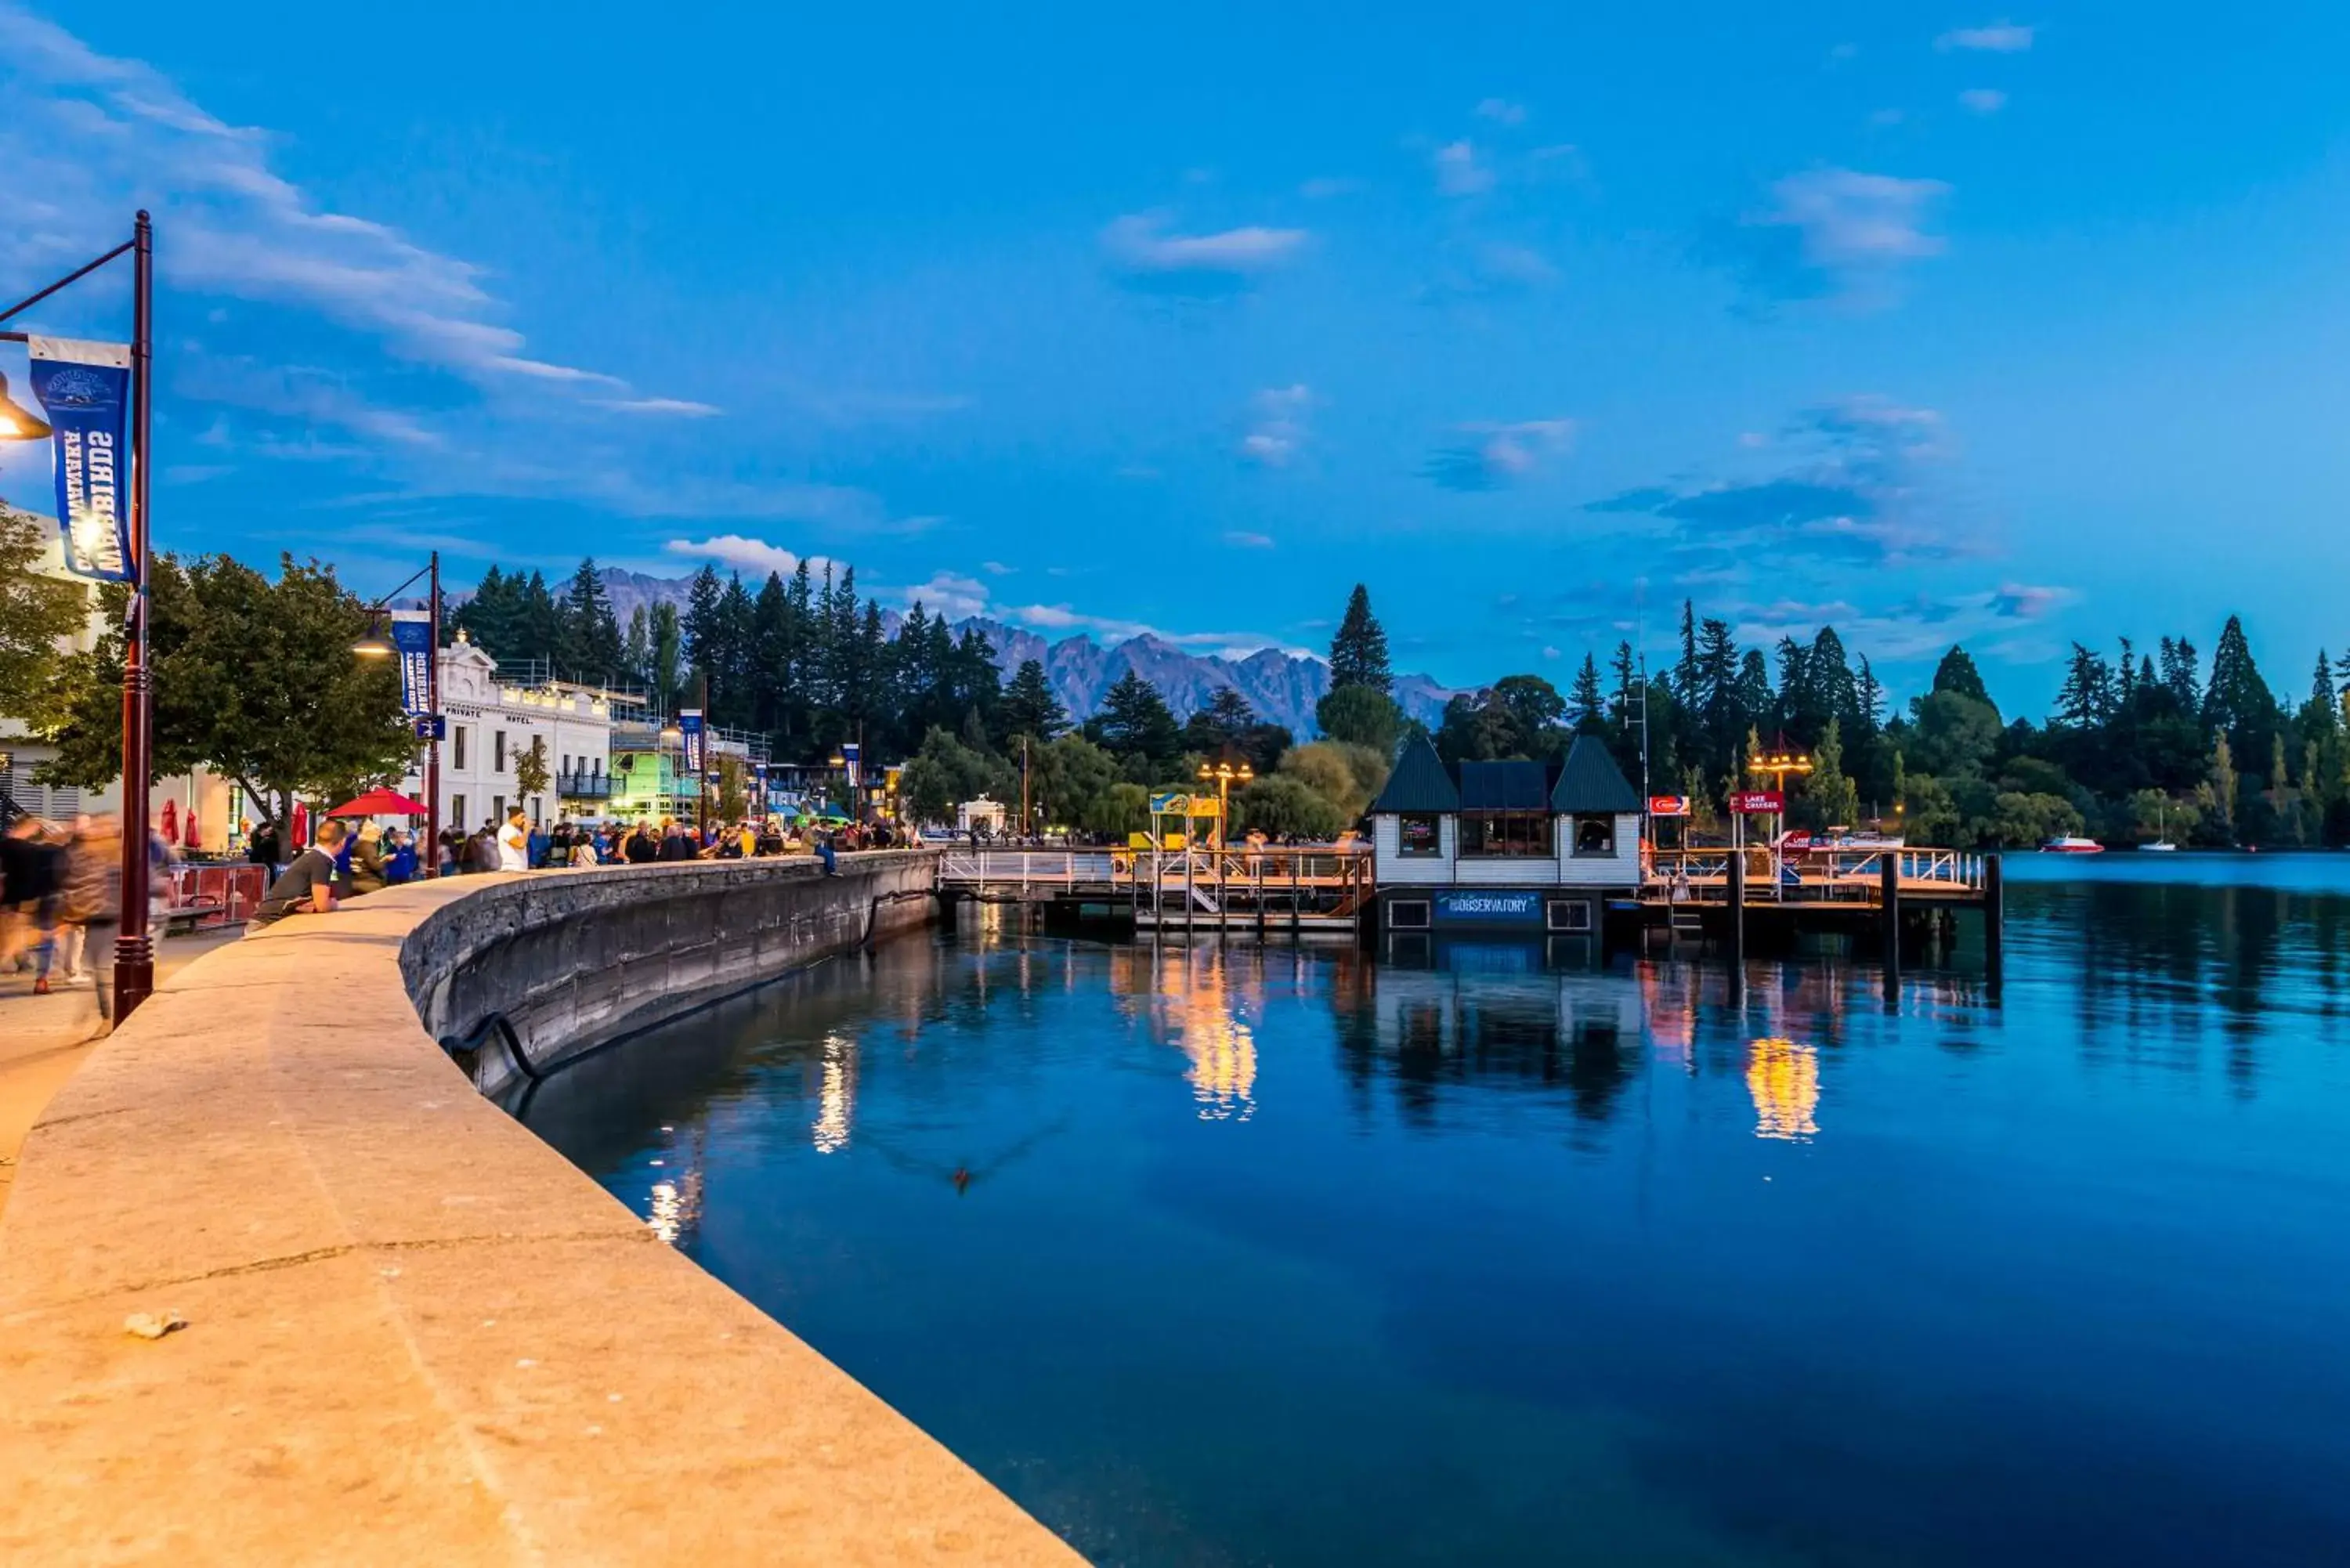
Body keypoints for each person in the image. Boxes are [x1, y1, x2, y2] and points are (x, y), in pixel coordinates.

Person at [55, 814, 122, 1021]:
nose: (98, 830)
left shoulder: (117, 852)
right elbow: (67, 881)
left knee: (101, 968)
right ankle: (103, 1010)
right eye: (97, 826)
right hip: (92, 916)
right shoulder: (80, 852)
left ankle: (107, 1015)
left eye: (104, 826)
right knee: (95, 966)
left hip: (111, 916)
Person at [248, 821, 348, 930]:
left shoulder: (315, 857)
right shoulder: (321, 860)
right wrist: (333, 904)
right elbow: (322, 905)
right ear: (342, 842)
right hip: (266, 924)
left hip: (266, 919)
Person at [349, 821, 389, 895]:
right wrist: (386, 860)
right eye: (377, 835)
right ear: (371, 834)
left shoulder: (357, 844)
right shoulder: (368, 846)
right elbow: (375, 865)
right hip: (369, 881)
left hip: (356, 879)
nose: (378, 838)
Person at [498, 807, 530, 873]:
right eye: (522, 817)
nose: (524, 820)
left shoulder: (517, 830)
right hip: (511, 868)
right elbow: (520, 845)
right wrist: (526, 830)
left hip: (519, 869)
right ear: (514, 817)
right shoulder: (507, 829)